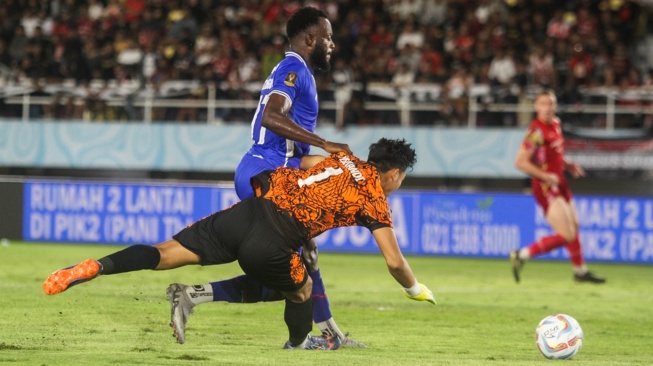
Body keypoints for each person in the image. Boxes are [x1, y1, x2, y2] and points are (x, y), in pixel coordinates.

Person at [42, 138, 437, 350]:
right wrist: (415, 289)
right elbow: (394, 261)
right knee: (300, 288)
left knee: (163, 254)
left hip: (247, 211)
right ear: (394, 174)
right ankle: (298, 348)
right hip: (276, 240)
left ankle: (97, 267)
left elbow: (300, 164)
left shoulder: (336, 159)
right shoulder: (374, 196)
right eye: (402, 178)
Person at [167, 6, 361, 347]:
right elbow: (271, 117)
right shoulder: (293, 69)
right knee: (286, 267)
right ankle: (194, 295)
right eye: (328, 37)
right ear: (311, 38)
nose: (332, 44)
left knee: (305, 257)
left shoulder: (300, 73)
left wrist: (335, 165)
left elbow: (294, 155)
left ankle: (330, 334)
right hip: (264, 174)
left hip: (275, 173)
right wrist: (326, 143)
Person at [510, 90, 606, 284]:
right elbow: (520, 162)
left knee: (575, 227)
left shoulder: (556, 123)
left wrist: (567, 165)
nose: (547, 108)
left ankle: (580, 271)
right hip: (545, 185)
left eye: (551, 103)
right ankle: (522, 254)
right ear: (536, 107)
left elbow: (553, 154)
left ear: (555, 106)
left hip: (559, 181)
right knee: (567, 234)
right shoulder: (535, 132)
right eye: (543, 104)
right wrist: (545, 175)